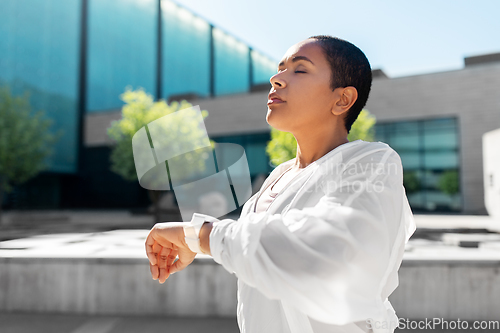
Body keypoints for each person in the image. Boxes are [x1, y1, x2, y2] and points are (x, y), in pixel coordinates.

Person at [145, 35, 416, 333]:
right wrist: (202, 239)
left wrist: (200, 235)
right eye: (280, 68)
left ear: (342, 99)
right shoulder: (279, 176)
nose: (276, 79)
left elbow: (326, 249)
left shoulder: (371, 162)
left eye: (299, 70)